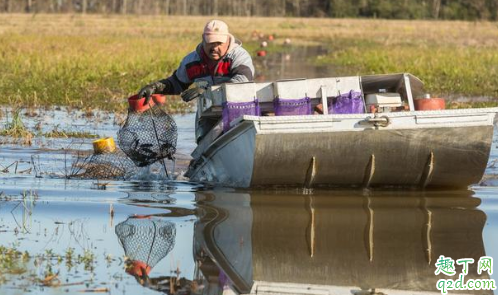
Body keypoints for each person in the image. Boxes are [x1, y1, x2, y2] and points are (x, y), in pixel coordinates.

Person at [138, 20, 255, 142]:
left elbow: (242, 81)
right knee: (203, 144)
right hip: (208, 114)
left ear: (227, 40)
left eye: (219, 43)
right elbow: (177, 83)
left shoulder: (239, 56)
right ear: (203, 40)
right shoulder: (192, 61)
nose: (214, 47)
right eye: (210, 43)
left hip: (238, 110)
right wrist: (155, 87)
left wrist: (207, 91)